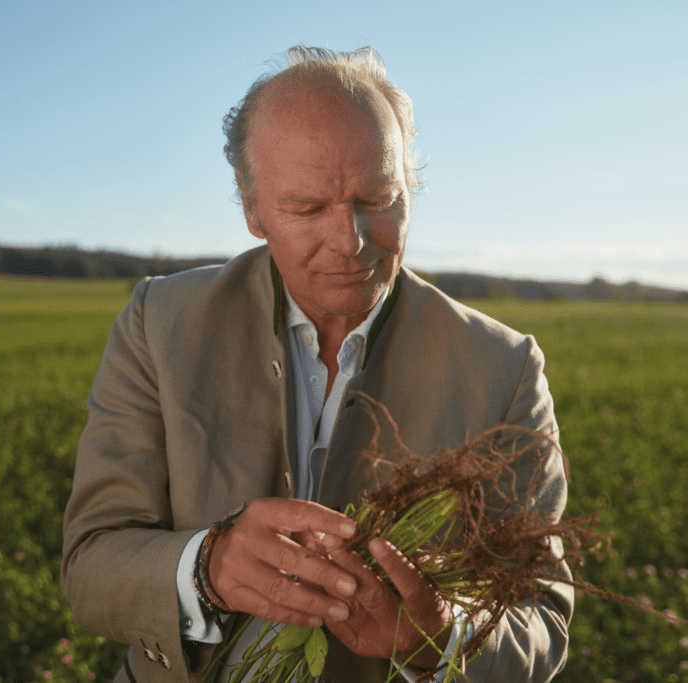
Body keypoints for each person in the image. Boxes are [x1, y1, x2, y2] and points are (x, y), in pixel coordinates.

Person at [61, 46, 573, 683]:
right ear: (252, 210)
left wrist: (439, 635)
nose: (350, 241)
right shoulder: (157, 321)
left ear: (408, 188)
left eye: (377, 199)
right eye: (307, 209)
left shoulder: (505, 367)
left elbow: (542, 617)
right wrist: (206, 567)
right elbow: (90, 564)